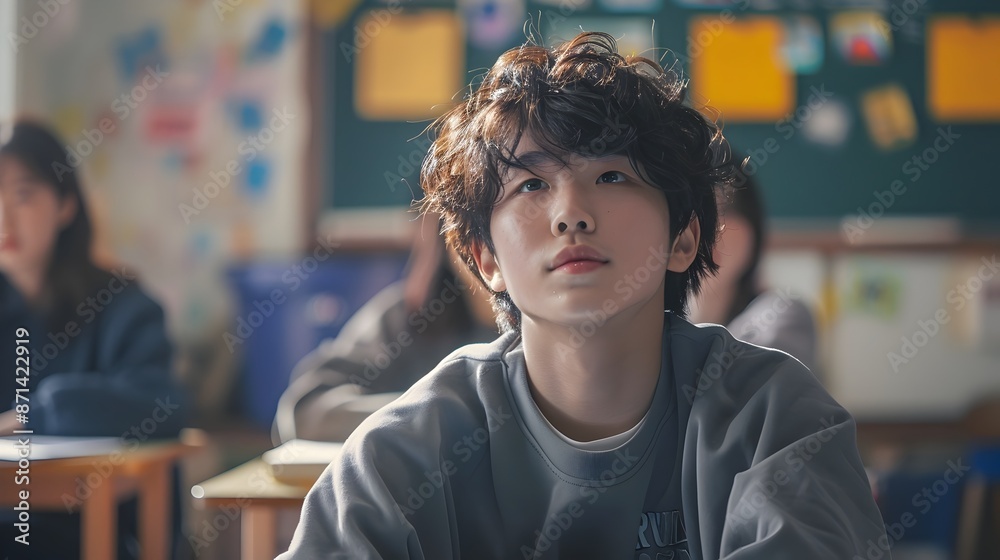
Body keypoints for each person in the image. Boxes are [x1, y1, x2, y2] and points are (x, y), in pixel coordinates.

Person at [279, 32, 887, 559]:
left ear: (684, 238)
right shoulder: (407, 449)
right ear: (486, 259)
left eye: (612, 175)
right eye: (531, 184)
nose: (571, 213)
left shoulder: (776, 421)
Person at [0, 120, 188, 559]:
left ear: (65, 204)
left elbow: (164, 405)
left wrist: (32, 414)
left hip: (91, 534)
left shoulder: (122, 305)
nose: (4, 216)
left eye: (22, 195)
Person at [273, 213, 499, 443]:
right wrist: (431, 416)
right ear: (446, 240)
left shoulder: (530, 334)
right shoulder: (408, 318)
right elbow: (305, 413)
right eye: (473, 226)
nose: (487, 248)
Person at [689, 164, 818, 372]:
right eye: (694, 210)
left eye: (726, 209)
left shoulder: (782, 315)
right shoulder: (652, 323)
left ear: (754, 229)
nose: (712, 226)